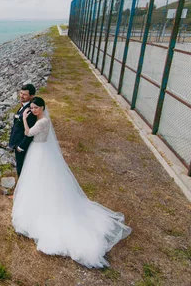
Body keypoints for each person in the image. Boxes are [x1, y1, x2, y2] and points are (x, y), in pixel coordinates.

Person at [11, 97, 131, 268]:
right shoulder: (42, 119)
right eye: (31, 107)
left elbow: (28, 133)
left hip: (39, 152)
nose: (33, 110)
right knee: (39, 179)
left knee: (41, 177)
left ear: (43, 107)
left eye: (36, 107)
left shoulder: (43, 121)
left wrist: (24, 119)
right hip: (39, 150)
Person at [8, 84, 37, 177]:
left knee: (22, 167)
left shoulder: (30, 111)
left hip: (22, 144)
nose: (21, 96)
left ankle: (22, 189)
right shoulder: (23, 106)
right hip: (17, 142)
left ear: (31, 96)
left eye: (24, 94)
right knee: (20, 166)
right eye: (20, 93)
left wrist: (20, 146)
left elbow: (31, 131)